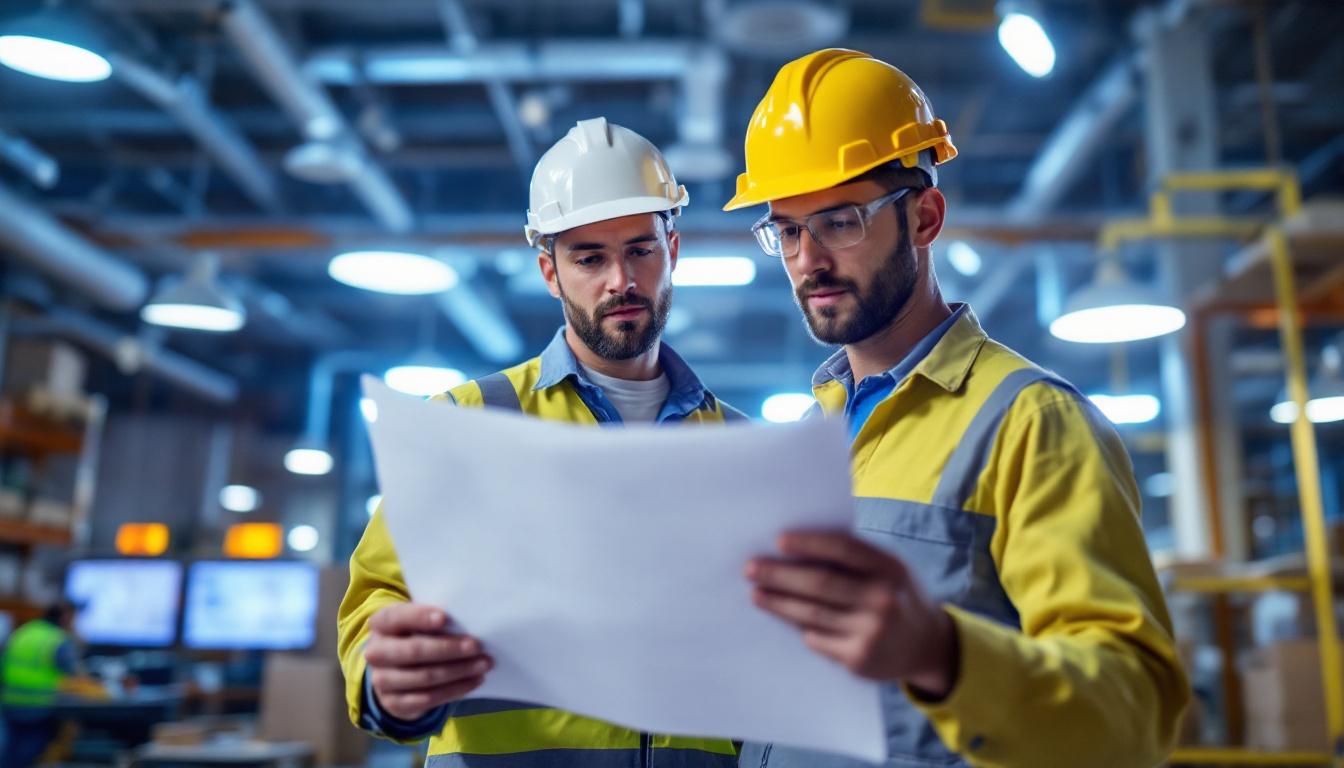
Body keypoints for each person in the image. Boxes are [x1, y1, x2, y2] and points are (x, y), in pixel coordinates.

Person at [724, 49, 1189, 767]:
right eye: (786, 229)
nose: (807, 259)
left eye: (840, 221)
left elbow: (1135, 716)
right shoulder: (805, 438)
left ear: (925, 218)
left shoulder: (1030, 424)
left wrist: (945, 654)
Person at [338, 117, 743, 767]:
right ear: (550, 272)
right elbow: (378, 597)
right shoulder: (466, 422)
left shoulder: (741, 449)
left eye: (641, 249)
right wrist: (388, 683)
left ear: (675, 250)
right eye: (589, 258)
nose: (621, 280)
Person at [1, 601, 80, 768]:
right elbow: (75, 674)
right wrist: (77, 637)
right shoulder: (58, 639)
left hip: (10, 701)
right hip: (39, 705)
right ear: (66, 617)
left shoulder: (23, 631)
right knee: (30, 755)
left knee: (10, 752)